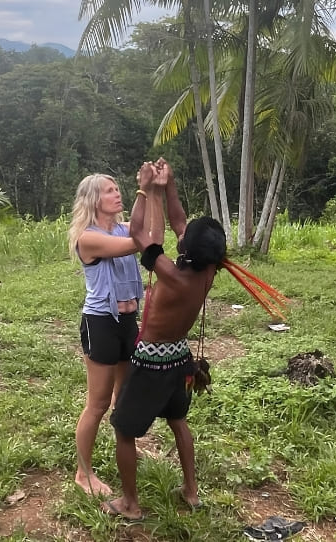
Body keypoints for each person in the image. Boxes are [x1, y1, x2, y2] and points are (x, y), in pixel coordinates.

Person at [102, 159, 226, 521]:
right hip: (179, 360)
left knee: (124, 431)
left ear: (187, 249)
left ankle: (130, 504)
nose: (181, 232)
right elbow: (179, 222)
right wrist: (168, 185)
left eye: (185, 236)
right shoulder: (208, 272)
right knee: (178, 422)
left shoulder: (172, 276)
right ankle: (191, 490)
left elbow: (139, 232)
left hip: (152, 362)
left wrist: (144, 187)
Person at [68, 173, 146, 497]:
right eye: (109, 191)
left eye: (118, 189)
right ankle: (82, 473)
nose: (117, 194)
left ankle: (124, 449)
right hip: (100, 323)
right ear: (94, 200)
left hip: (128, 321)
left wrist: (149, 192)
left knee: (123, 396)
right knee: (97, 404)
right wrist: (147, 191)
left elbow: (147, 232)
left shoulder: (122, 227)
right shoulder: (88, 237)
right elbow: (139, 242)